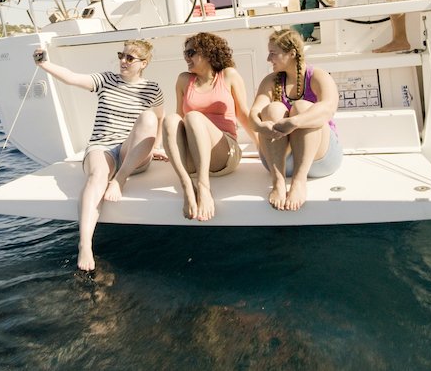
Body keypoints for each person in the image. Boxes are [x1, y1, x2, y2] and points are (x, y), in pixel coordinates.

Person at [32, 40, 164, 271]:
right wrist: (44, 64)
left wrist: (157, 146)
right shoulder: (106, 80)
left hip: (132, 151)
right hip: (102, 146)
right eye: (121, 55)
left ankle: (119, 181)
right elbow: (71, 77)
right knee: (97, 175)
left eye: (129, 58)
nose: (123, 61)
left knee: (149, 118)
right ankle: (85, 244)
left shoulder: (152, 89)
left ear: (143, 63)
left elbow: (160, 119)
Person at [249, 28, 342, 211]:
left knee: (302, 107)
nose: (269, 59)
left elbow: (328, 109)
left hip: (319, 159)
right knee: (273, 109)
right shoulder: (271, 81)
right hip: (279, 161)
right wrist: (259, 125)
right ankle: (278, 182)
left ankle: (299, 183)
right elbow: (255, 112)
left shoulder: (317, 76)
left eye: (273, 54)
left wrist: (295, 122)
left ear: (291, 54)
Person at [162, 32, 251, 222]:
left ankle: (203, 187)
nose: (186, 58)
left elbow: (243, 114)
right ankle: (187, 185)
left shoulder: (228, 76)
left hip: (224, 152)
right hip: (193, 158)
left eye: (191, 52)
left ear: (208, 52)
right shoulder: (184, 80)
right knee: (171, 119)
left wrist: (262, 145)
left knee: (193, 116)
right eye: (185, 53)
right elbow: (178, 119)